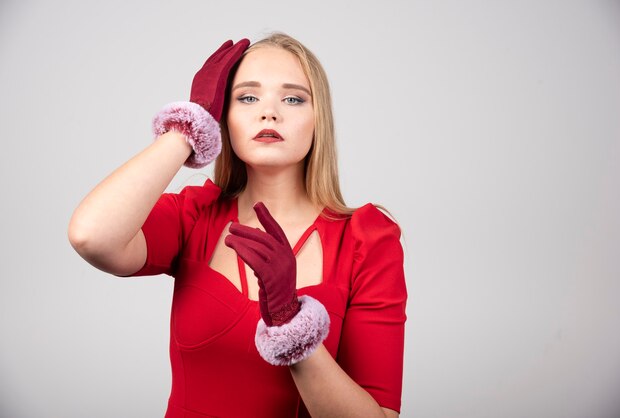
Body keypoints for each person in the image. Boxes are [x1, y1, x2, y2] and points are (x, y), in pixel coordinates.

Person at [68, 33, 407, 418]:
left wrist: (291, 325)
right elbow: (90, 236)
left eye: (293, 98)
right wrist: (187, 127)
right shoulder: (195, 215)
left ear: (319, 120)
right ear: (222, 117)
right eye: (247, 97)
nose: (269, 112)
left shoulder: (366, 238)